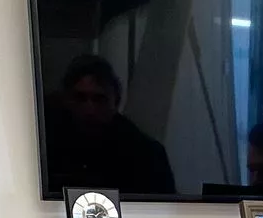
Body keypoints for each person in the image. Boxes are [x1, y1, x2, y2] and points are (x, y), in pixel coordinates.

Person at [44, 54, 177, 196]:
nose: (89, 109)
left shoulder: (146, 155)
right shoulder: (46, 148)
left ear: (116, 102)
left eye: (99, 99)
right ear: (66, 101)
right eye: (80, 98)